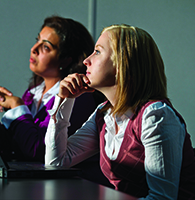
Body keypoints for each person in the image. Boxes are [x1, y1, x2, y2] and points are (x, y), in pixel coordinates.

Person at [45, 24, 195, 199]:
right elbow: (56, 163)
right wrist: (65, 100)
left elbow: (162, 198)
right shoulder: (104, 113)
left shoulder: (156, 116)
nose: (86, 60)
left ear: (123, 63)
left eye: (98, 52)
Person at [0, 16, 105, 163]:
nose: (33, 49)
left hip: (64, 184)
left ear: (66, 60)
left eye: (46, 47)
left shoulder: (76, 96)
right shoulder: (33, 94)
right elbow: (11, 147)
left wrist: (16, 106)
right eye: (37, 40)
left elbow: (40, 153)